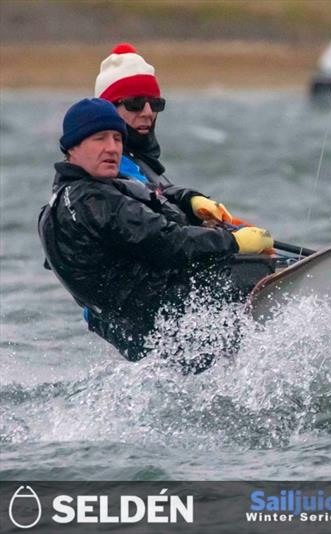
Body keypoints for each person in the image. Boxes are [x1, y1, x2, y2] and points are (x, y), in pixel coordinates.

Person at [38, 98, 273, 372]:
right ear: (72, 147)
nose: (112, 148)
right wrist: (235, 242)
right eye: (99, 138)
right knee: (252, 268)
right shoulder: (92, 200)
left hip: (141, 334)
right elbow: (170, 242)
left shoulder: (64, 200)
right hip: (167, 320)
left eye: (117, 138)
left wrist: (190, 200)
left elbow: (149, 192)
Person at [93, 42, 236, 226]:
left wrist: (194, 204)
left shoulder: (143, 162)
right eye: (135, 103)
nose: (147, 113)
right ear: (109, 108)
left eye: (155, 104)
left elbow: (162, 203)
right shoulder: (106, 167)